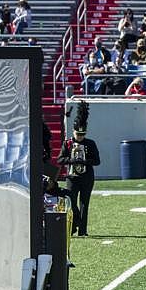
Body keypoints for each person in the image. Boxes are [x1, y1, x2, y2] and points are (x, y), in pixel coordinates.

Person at [56, 101, 101, 236]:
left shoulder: (90, 143)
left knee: (84, 204)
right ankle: (74, 225)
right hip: (72, 177)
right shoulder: (68, 143)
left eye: (82, 134)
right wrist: (73, 160)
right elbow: (59, 159)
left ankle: (83, 230)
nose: (80, 137)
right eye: (78, 134)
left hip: (86, 177)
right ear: (73, 131)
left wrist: (85, 161)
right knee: (71, 202)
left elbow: (97, 161)